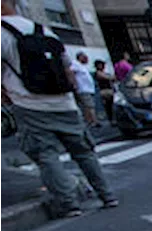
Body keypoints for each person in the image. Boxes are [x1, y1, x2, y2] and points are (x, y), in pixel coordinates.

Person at [0, 0, 116, 217]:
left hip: (29, 104)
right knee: (84, 153)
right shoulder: (44, 30)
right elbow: (68, 71)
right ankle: (107, 195)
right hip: (65, 103)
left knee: (46, 155)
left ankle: (69, 204)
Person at [70, 51, 96, 126]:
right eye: (84, 57)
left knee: (89, 105)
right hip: (83, 89)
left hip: (88, 89)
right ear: (80, 57)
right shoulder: (75, 64)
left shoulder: (81, 65)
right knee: (88, 106)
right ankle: (92, 122)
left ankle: (92, 121)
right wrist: (75, 85)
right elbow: (72, 73)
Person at [93, 59, 114, 123]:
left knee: (111, 105)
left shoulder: (104, 72)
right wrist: (110, 77)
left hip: (110, 89)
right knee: (109, 105)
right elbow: (108, 77)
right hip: (104, 90)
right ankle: (111, 119)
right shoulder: (98, 73)